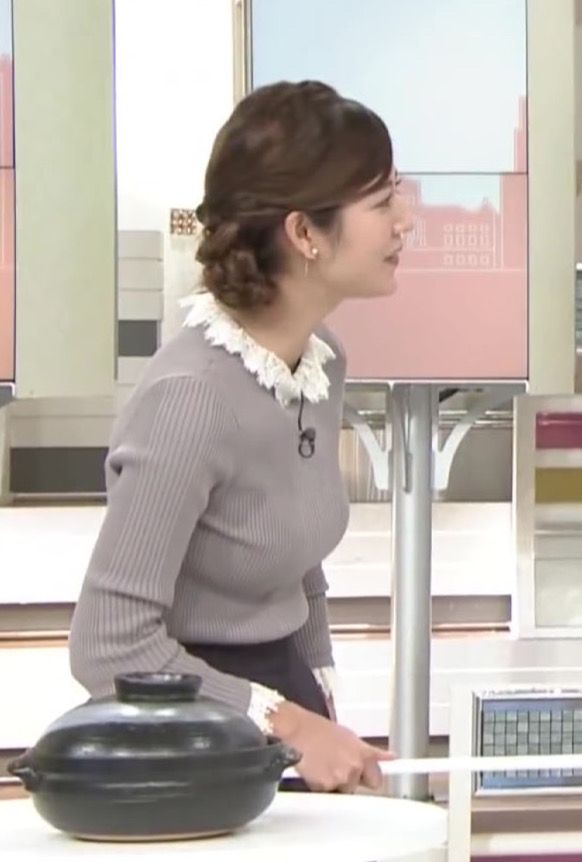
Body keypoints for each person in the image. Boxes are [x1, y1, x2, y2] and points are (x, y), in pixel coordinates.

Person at [69, 80, 413, 794]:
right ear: (305, 233)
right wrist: (290, 725)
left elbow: (298, 563)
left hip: (282, 701)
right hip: (191, 726)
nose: (405, 221)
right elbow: (110, 645)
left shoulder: (320, 362)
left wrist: (320, 695)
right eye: (383, 203)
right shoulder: (190, 399)